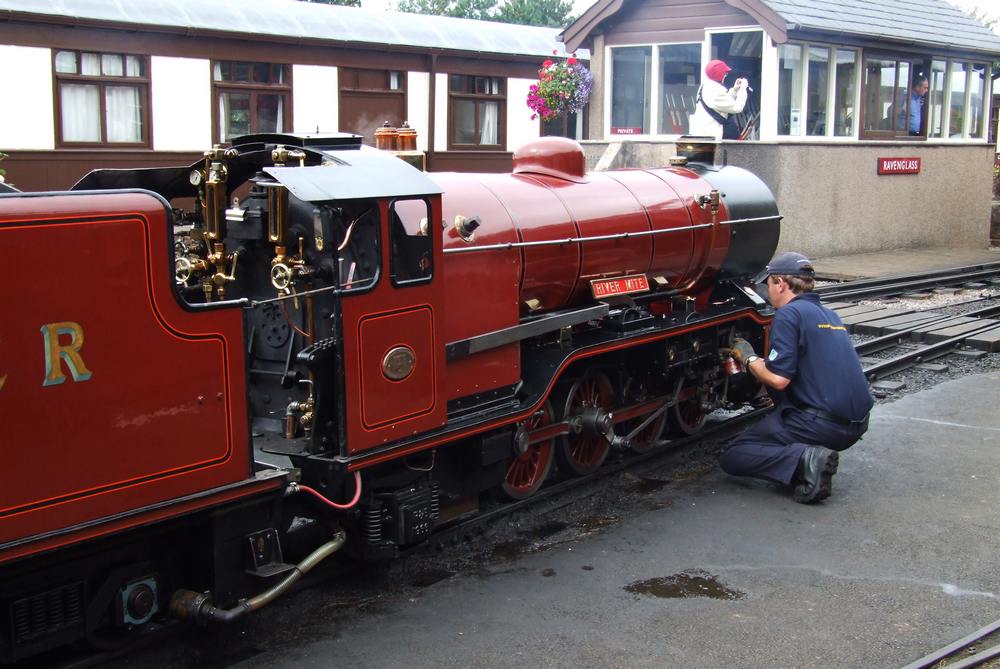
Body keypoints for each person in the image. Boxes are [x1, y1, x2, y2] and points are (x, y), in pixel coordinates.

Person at [720, 252, 874, 504]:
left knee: (733, 454)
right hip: (856, 424)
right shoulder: (830, 315)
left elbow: (779, 380)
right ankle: (805, 454)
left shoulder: (788, 314)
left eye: (768, 284)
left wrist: (748, 358)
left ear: (780, 283)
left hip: (823, 425)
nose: (767, 291)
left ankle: (805, 460)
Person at [688, 59, 748, 140]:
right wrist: (743, 89)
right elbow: (737, 107)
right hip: (710, 137)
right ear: (719, 74)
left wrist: (734, 90)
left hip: (703, 135)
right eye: (725, 73)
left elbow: (721, 103)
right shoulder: (715, 91)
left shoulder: (706, 86)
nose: (726, 75)